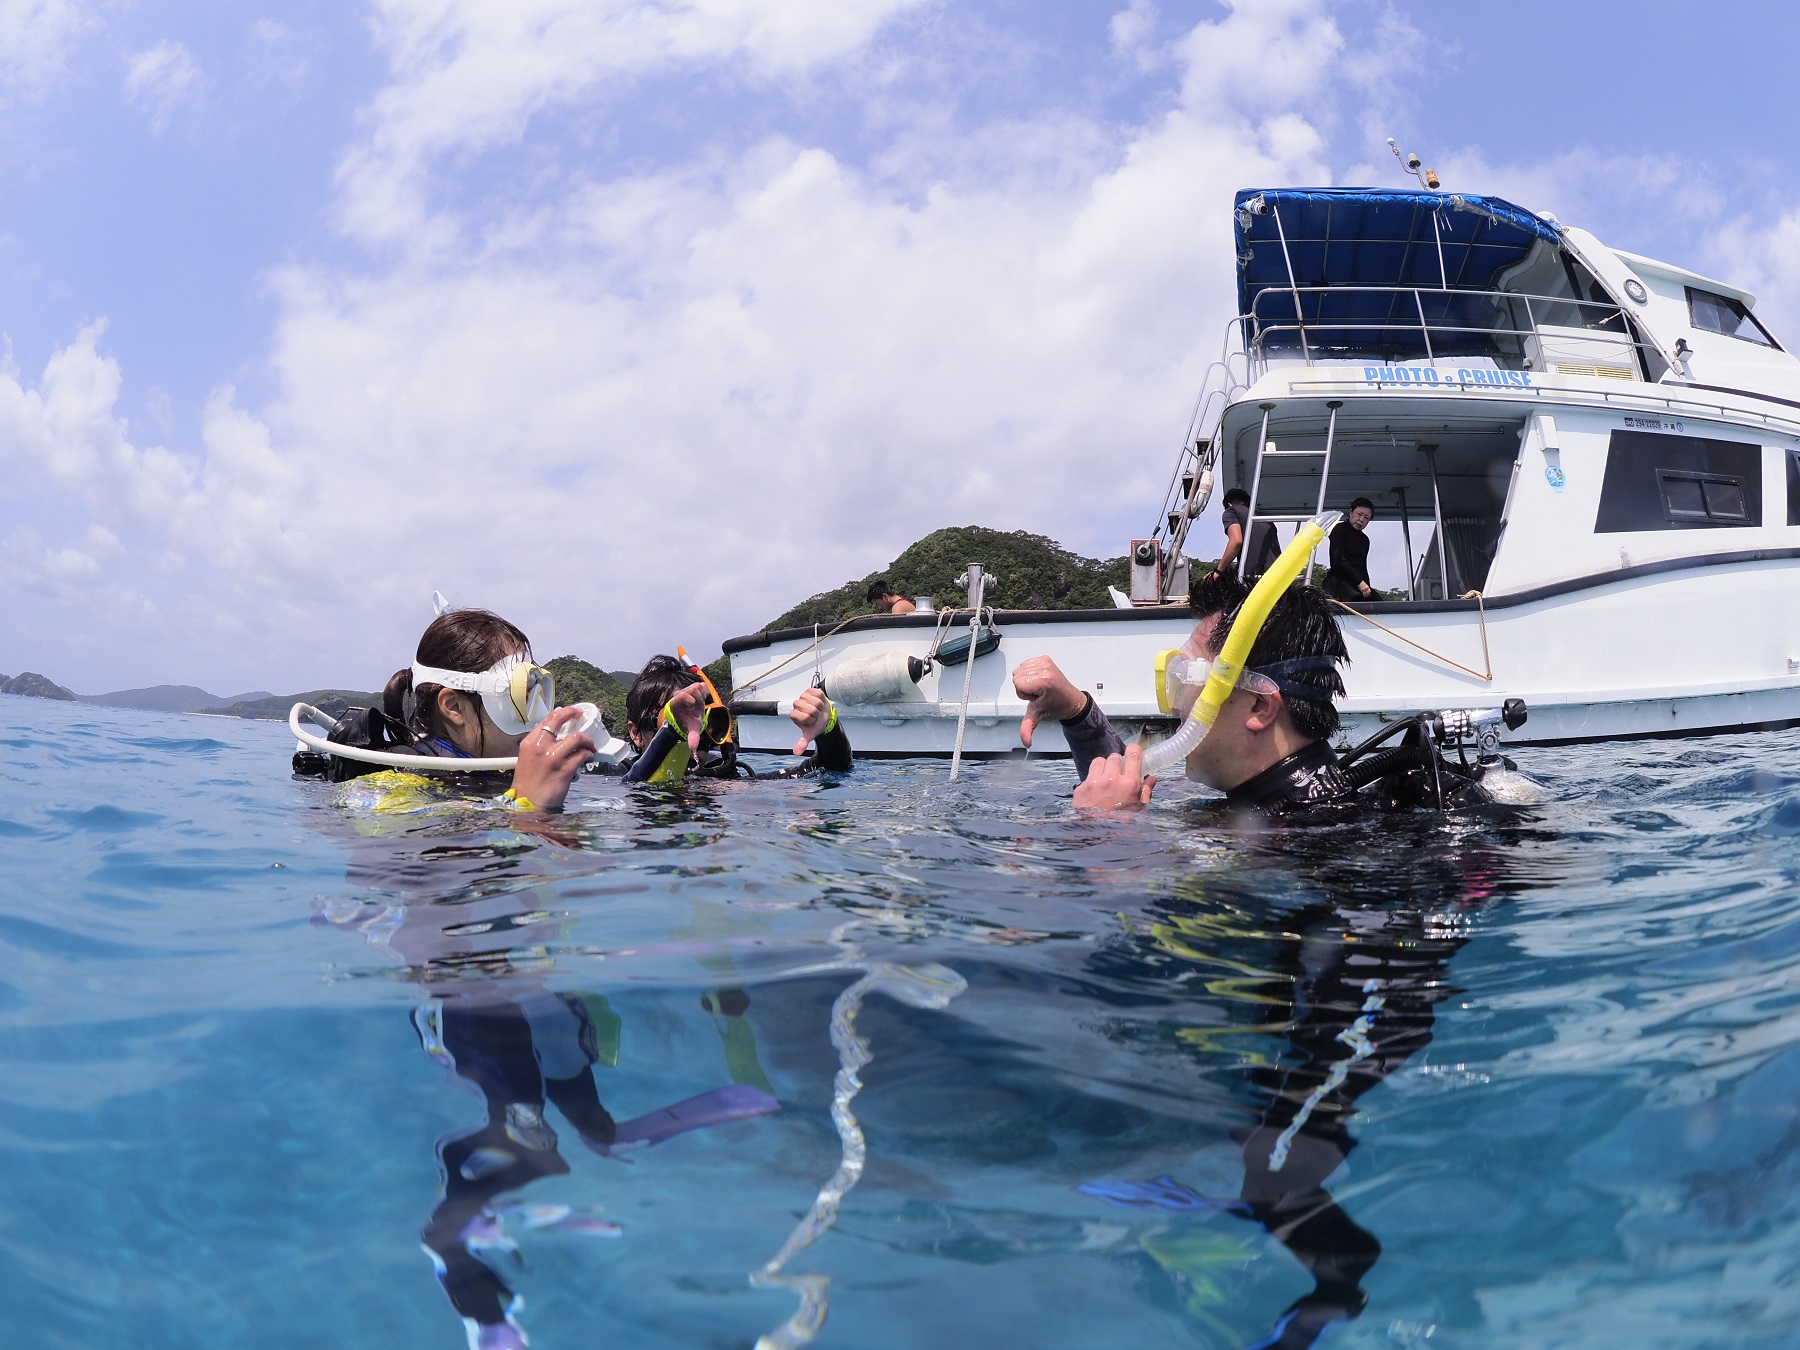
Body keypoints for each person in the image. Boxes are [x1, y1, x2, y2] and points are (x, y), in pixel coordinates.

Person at [1016, 576, 1500, 813]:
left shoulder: (1314, 840)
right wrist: (1078, 715)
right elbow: (1126, 785)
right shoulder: (1267, 805)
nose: (1175, 703)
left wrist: (1107, 847)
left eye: (1186, 679)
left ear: (1260, 707)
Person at [297, 608, 594, 813]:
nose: (537, 716)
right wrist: (527, 806)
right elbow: (415, 885)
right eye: (519, 697)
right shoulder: (393, 790)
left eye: (538, 695)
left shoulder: (493, 775)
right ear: (454, 707)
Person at [622, 654, 852, 782]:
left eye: (704, 724)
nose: (694, 734)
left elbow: (831, 771)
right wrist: (671, 736)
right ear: (636, 733)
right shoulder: (610, 776)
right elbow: (633, 784)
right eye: (679, 723)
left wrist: (829, 730)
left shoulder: (725, 781)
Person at [1323, 497, 1376, 601]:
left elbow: (1362, 566)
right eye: (1359, 514)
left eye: (1366, 517)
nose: (1361, 520)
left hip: (1358, 585)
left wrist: (1366, 587)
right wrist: (1360, 582)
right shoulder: (1339, 529)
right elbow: (1338, 560)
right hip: (1339, 583)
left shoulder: (1365, 540)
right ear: (1351, 512)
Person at [1218, 486, 1252, 576]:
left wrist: (1218, 571)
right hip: (1277, 573)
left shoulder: (1231, 511)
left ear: (1229, 503)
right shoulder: (1260, 516)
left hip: (1252, 576)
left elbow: (1236, 541)